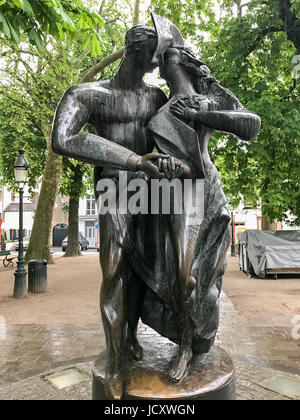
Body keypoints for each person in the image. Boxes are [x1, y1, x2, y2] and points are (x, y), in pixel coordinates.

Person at [51, 25, 184, 400]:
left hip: (152, 191)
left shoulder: (157, 97)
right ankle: (114, 360)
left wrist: (171, 163)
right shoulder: (88, 95)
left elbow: (173, 142)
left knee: (145, 271)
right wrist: (131, 159)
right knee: (113, 270)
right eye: (154, 52)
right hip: (115, 189)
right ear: (133, 50)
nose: (158, 61)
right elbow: (63, 139)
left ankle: (130, 337)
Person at [145, 15, 261, 382]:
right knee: (179, 274)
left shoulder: (208, 97)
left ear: (181, 59)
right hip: (173, 195)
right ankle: (182, 343)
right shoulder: (158, 108)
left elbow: (251, 125)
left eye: (166, 54)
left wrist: (203, 112)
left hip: (206, 191)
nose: (160, 60)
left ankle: (192, 344)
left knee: (202, 275)